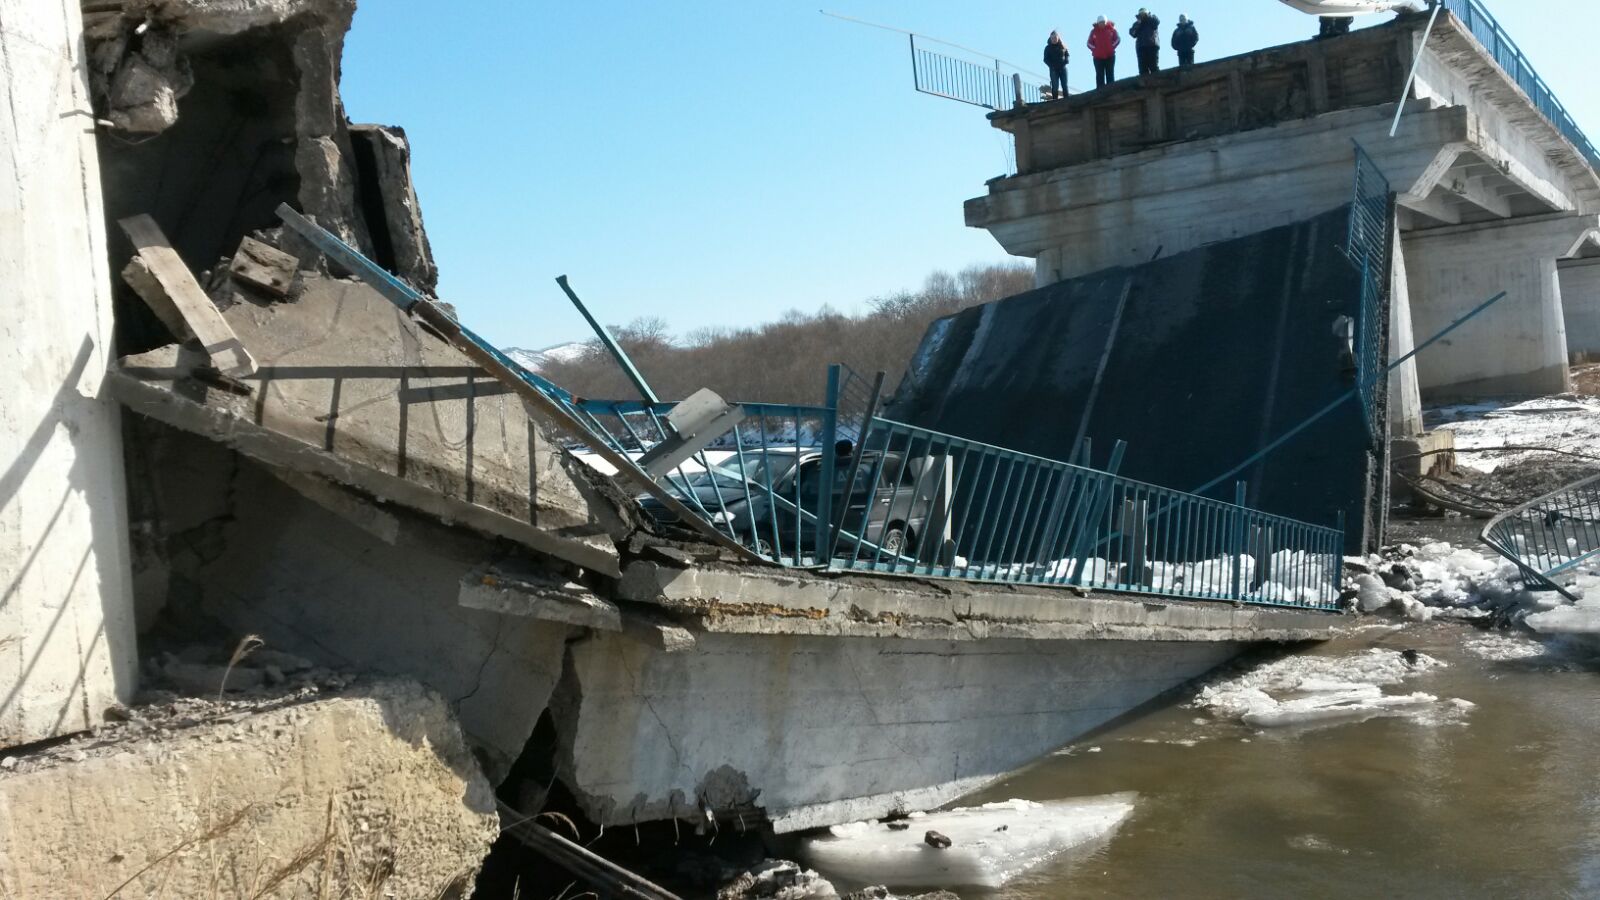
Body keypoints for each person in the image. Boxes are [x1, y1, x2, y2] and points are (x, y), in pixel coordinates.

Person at [1088, 16, 1120, 88]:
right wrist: (1096, 50)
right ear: (1098, 23)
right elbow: (1089, 43)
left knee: (1110, 73)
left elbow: (1118, 39)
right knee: (1099, 75)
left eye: (1103, 22)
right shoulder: (1093, 31)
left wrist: (1111, 47)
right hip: (1098, 57)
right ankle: (1100, 91)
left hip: (1110, 56)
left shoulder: (1112, 29)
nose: (1102, 24)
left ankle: (1111, 90)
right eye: (1100, 22)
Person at [1130, 8, 1161, 76]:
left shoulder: (1152, 19)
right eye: (1141, 14)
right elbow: (1133, 33)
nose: (1142, 15)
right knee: (1143, 70)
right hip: (1141, 47)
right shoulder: (1137, 23)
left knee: (1154, 67)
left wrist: (1149, 16)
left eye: (1144, 14)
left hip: (1152, 45)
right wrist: (1138, 24)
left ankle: (1157, 82)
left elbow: (1157, 22)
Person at [1044, 30, 1070, 99]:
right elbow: (1045, 59)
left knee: (1065, 85)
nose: (1054, 39)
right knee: (1055, 86)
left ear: (1058, 38)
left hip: (1063, 68)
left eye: (1055, 38)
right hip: (1053, 70)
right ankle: (1055, 100)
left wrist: (1066, 60)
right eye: (1053, 38)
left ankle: (1067, 100)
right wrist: (1052, 66)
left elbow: (1067, 54)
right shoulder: (1048, 48)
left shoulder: (1062, 46)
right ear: (1050, 38)